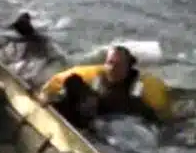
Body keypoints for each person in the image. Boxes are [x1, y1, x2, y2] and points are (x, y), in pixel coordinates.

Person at [39, 45, 173, 124]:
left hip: (121, 118)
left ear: (128, 67)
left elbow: (162, 114)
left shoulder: (145, 86)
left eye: (118, 65)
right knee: (74, 84)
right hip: (92, 113)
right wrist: (45, 94)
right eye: (110, 63)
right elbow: (60, 80)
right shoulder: (94, 74)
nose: (112, 68)